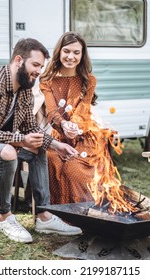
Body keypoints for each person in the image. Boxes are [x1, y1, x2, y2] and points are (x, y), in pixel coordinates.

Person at [0, 38, 82, 244]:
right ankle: (4, 218)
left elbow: (30, 129)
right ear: (18, 60)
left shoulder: (25, 88)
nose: (39, 71)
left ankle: (43, 216)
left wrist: (56, 145)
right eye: (35, 65)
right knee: (8, 151)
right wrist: (20, 139)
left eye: (41, 67)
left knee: (36, 148)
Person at [39, 31, 122, 205]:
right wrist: (63, 125)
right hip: (59, 136)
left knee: (73, 168)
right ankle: (58, 211)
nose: (71, 56)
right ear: (59, 52)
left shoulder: (88, 80)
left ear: (82, 55)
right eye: (67, 51)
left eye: (77, 52)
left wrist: (73, 126)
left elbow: (83, 109)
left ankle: (83, 210)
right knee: (52, 160)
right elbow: (52, 111)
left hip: (84, 136)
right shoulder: (47, 80)